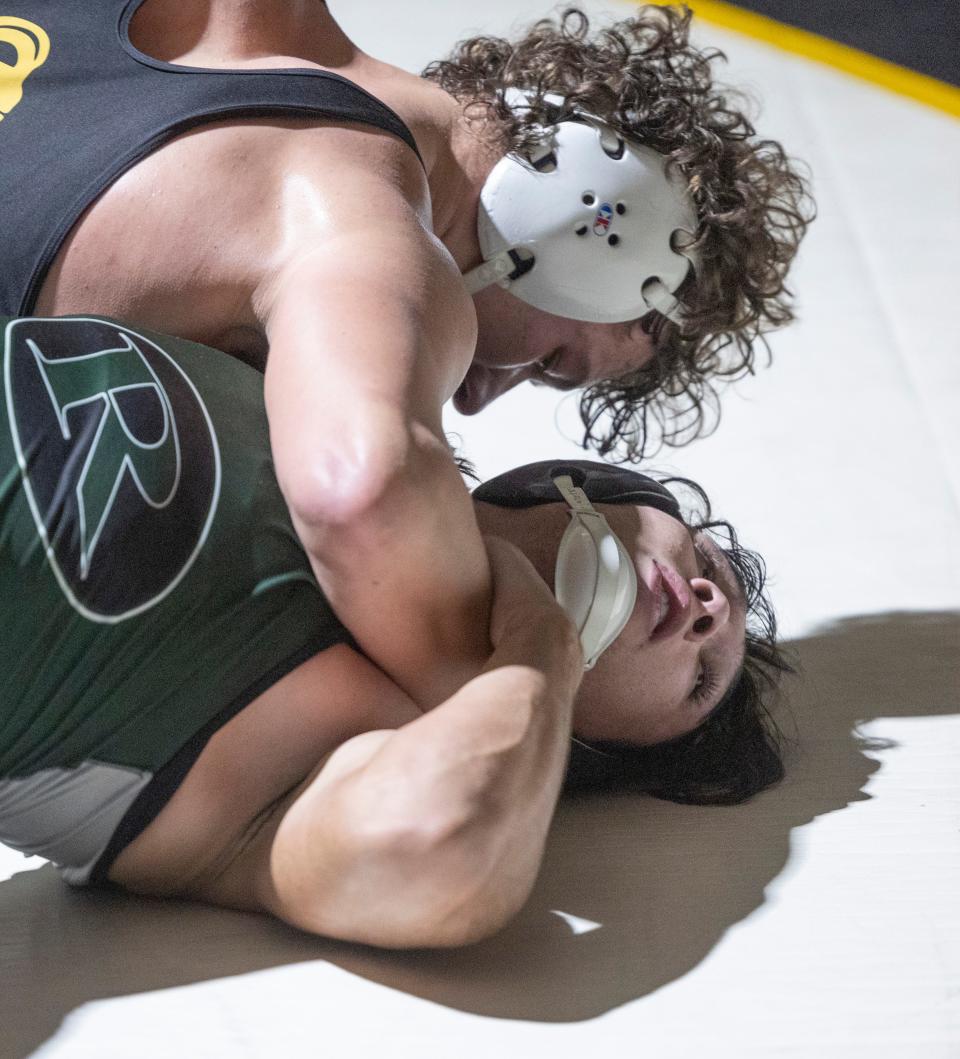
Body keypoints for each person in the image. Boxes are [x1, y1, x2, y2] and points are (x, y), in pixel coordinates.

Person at [0, 1, 812, 719]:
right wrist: (523, 686)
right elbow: (359, 494)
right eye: (551, 361)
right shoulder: (358, 231)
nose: (476, 398)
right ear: (595, 227)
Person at [0, 314, 787, 947]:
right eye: (708, 566)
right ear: (580, 485)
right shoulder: (355, 381)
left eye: (701, 680)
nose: (709, 614)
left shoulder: (338, 761)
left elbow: (446, 841)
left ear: (588, 750)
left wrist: (539, 649)